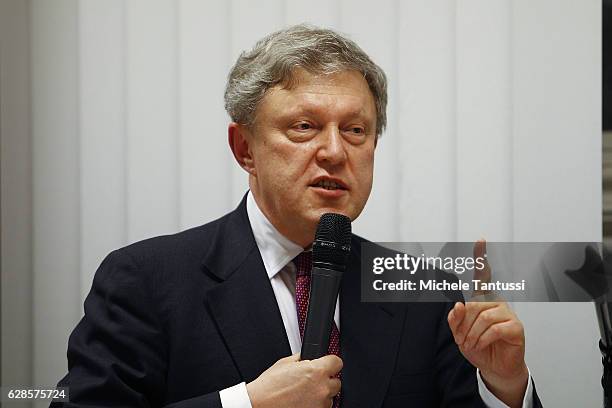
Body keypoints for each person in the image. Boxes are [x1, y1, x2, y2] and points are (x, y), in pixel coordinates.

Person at [52, 24, 542, 408]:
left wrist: (503, 387)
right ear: (245, 148)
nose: (334, 151)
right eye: (305, 127)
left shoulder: (424, 291)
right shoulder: (145, 280)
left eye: (355, 130)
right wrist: (245, 404)